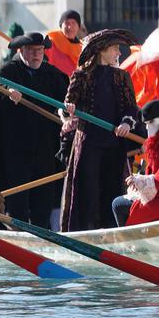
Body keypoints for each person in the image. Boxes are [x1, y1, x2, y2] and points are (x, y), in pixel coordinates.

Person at [0, 33, 69, 229]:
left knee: (43, 199)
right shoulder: (10, 71)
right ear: (21, 51)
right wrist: (7, 89)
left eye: (40, 50)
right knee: (17, 201)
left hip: (45, 148)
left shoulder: (52, 74)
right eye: (31, 51)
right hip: (16, 149)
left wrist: (66, 109)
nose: (36, 55)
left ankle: (42, 236)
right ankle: (18, 233)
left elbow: (65, 98)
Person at [60, 29, 141, 232]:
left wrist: (126, 123)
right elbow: (68, 104)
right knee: (87, 191)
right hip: (88, 144)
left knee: (112, 189)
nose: (118, 53)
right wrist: (68, 110)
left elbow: (132, 108)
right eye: (115, 48)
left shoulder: (122, 77)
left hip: (114, 143)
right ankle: (84, 232)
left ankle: (111, 231)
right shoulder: (81, 75)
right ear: (102, 50)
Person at [45, 10, 83, 77]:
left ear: (78, 27)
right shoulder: (51, 42)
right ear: (61, 26)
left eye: (73, 23)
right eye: (67, 23)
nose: (70, 27)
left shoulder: (83, 47)